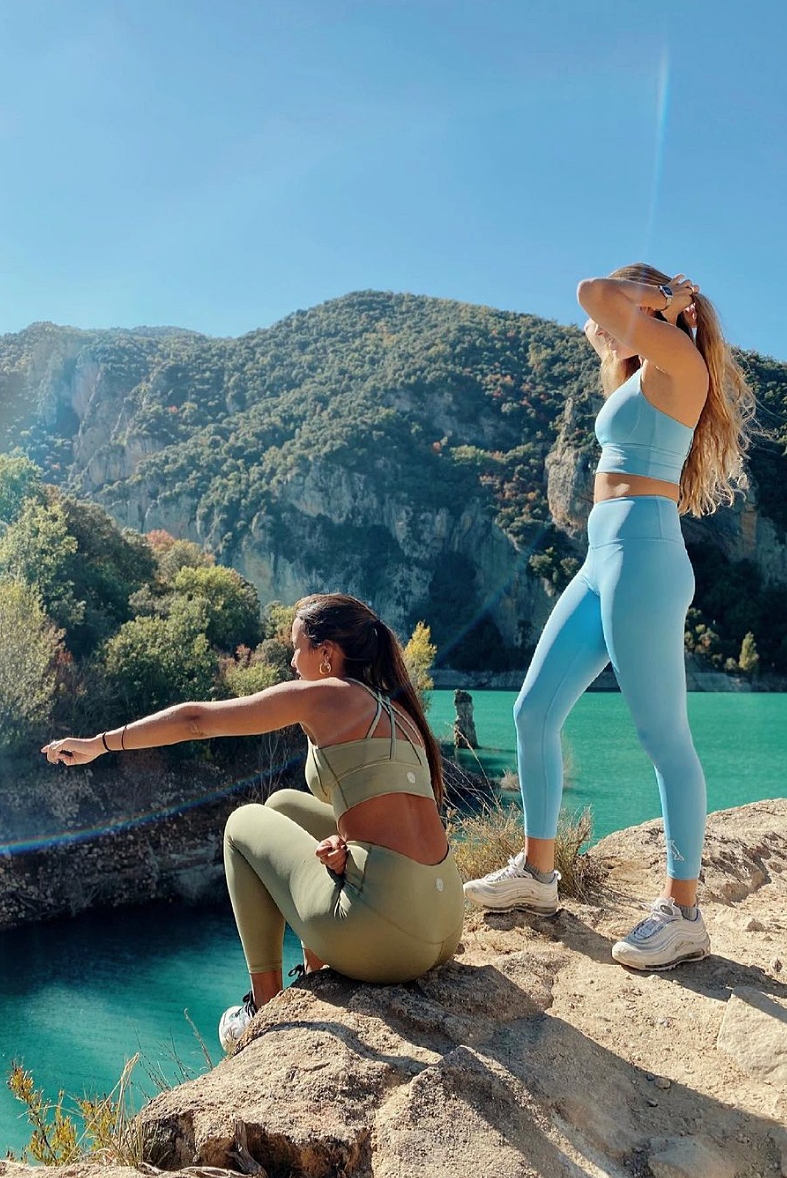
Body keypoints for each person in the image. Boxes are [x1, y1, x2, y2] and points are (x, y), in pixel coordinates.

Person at [464, 265, 755, 970]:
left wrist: (659, 301)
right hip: (603, 557)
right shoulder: (642, 371)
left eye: (628, 307)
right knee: (532, 712)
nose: (601, 325)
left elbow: (590, 292)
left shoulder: (680, 360)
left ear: (652, 305)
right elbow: (599, 316)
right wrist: (618, 334)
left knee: (664, 739)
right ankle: (538, 875)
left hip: (644, 558)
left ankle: (683, 914)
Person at [42, 593, 465, 1049]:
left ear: (326, 654)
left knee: (241, 824)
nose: (292, 661)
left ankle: (263, 1007)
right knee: (283, 805)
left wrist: (99, 744)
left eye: (297, 648)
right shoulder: (399, 711)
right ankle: (317, 967)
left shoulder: (325, 696)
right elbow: (386, 821)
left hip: (388, 939)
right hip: (444, 922)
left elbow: (196, 721)